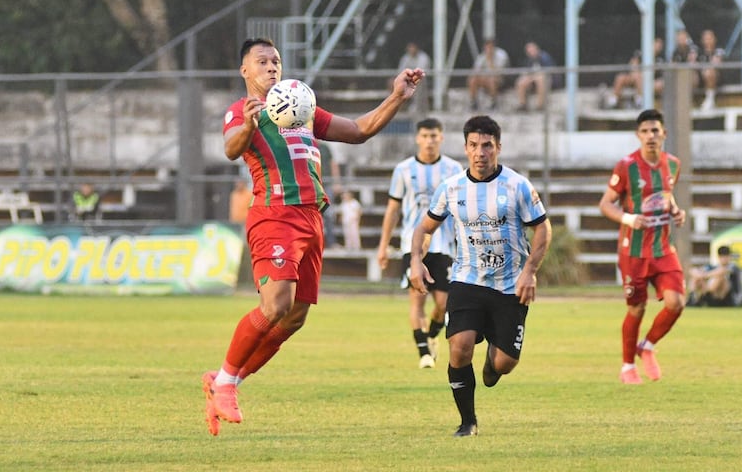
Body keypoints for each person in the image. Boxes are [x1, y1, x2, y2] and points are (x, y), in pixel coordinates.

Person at [202, 37, 424, 436]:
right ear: (245, 71)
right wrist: (249, 125)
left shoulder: (299, 106)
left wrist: (397, 97)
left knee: (297, 316)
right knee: (277, 302)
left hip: (312, 219)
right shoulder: (243, 111)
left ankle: (224, 380)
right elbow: (231, 149)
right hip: (275, 215)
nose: (272, 67)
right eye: (262, 61)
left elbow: (358, 130)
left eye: (276, 61)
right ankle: (224, 382)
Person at [409, 115, 552, 437]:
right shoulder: (452, 188)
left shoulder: (518, 186)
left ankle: (492, 361)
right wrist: (416, 260)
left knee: (503, 365)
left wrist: (530, 271)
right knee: (459, 347)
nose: (480, 152)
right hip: (467, 280)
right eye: (474, 145)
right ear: (465, 148)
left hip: (509, 285)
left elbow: (543, 228)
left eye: (487, 145)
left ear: (498, 147)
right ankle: (467, 421)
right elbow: (424, 228)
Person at [599, 108, 688, 385]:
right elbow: (605, 204)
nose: (651, 136)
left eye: (655, 130)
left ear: (664, 134)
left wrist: (676, 211)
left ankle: (647, 346)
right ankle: (627, 366)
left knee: (677, 303)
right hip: (634, 252)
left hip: (662, 249)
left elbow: (666, 196)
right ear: (638, 135)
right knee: (637, 309)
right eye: (645, 131)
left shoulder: (673, 164)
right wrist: (628, 218)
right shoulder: (627, 166)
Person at [376, 118, 464, 369]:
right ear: (417, 138)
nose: (429, 141)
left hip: (444, 244)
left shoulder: (453, 168)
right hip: (412, 245)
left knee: (443, 303)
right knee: (417, 298)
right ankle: (424, 352)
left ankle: (432, 335)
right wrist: (383, 245)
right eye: (425, 136)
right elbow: (393, 210)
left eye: (434, 135)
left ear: (442, 138)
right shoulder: (403, 170)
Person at [606, 38, 665, 109]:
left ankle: (639, 100)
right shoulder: (640, 54)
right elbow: (633, 65)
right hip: (635, 78)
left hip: (650, 81)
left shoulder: (660, 59)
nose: (657, 47)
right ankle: (613, 101)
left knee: (640, 77)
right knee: (620, 77)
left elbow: (655, 73)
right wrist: (636, 73)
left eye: (659, 45)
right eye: (656, 44)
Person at [467, 39, 510, 110]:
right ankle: (473, 102)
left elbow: (498, 72)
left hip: (500, 79)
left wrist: (490, 60)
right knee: (473, 79)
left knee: (492, 80)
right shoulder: (482, 56)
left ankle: (494, 102)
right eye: (487, 47)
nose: (488, 49)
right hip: (485, 78)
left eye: (490, 47)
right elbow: (476, 70)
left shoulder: (502, 55)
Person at [515, 41, 555, 112]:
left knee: (540, 78)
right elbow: (526, 72)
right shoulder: (528, 60)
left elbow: (550, 71)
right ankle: (523, 104)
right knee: (521, 81)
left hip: (546, 80)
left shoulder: (544, 57)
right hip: (532, 80)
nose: (531, 52)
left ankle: (540, 106)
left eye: (532, 50)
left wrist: (534, 76)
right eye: (529, 51)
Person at [318, 141, 342, 248]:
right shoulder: (306, 143)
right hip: (313, 185)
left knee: (328, 214)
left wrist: (336, 182)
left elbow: (333, 164)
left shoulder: (325, 147)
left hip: (327, 185)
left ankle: (331, 242)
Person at [397, 42, 431, 113]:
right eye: (410, 48)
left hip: (420, 80)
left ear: (416, 48)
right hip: (407, 79)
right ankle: (398, 107)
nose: (411, 50)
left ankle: (417, 106)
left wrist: (411, 75)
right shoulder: (405, 57)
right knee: (393, 82)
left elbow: (421, 71)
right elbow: (401, 70)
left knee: (417, 82)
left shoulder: (423, 57)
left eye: (413, 48)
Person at [695, 29, 724, 111]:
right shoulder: (699, 53)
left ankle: (710, 99)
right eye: (705, 39)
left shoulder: (719, 51)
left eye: (710, 38)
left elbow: (716, 63)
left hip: (716, 78)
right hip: (701, 78)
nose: (708, 41)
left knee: (709, 72)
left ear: (714, 39)